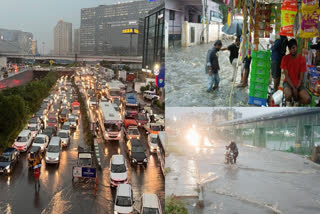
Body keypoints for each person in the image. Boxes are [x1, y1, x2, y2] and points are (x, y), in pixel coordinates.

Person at [280, 39, 311, 105]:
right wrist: (294, 88)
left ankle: (296, 102)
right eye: (290, 48)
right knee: (288, 95)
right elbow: (287, 77)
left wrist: (296, 88)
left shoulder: (302, 59)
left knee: (308, 99)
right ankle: (290, 102)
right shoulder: (285, 59)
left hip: (298, 84)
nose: (292, 50)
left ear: (297, 47)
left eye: (293, 48)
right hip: (288, 83)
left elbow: (301, 77)